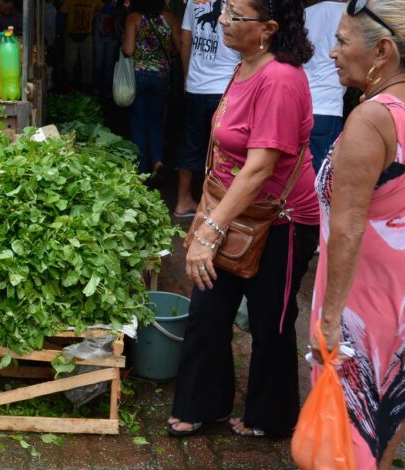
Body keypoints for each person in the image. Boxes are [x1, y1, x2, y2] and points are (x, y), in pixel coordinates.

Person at [167, 0, 319, 438]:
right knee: (208, 306)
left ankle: (270, 416)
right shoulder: (244, 66)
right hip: (235, 208)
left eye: (235, 15)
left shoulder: (281, 80)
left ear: (268, 29)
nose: (222, 21)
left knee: (271, 320)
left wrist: (210, 230)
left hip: (282, 221)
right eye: (225, 11)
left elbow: (259, 167)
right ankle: (203, 403)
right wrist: (209, 214)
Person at [310, 1, 405, 467]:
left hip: (361, 308)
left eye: (343, 41)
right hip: (400, 301)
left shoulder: (371, 120)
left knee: (344, 443)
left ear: (382, 51)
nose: (331, 52)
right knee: (382, 427)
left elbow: (347, 228)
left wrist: (330, 321)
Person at [173, 0, 240, 217]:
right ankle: (217, 205)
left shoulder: (193, 1)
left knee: (192, 141)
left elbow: (185, 39)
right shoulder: (238, 3)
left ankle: (183, 201)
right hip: (226, 87)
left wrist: (187, 75)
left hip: (196, 86)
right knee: (224, 148)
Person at [121, 0, 180, 181]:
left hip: (139, 74)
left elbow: (129, 50)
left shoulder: (134, 18)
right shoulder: (170, 17)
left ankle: (141, 171)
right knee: (155, 120)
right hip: (162, 75)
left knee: (138, 121)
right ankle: (158, 161)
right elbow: (179, 46)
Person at [303, 0, 347, 173]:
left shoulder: (305, 14)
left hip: (301, 102)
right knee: (322, 176)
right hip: (328, 106)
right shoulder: (349, 15)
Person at [61, 0, 102, 91]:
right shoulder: (69, 1)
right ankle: (69, 87)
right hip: (71, 36)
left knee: (87, 64)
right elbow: (62, 16)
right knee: (70, 63)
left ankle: (86, 88)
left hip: (86, 36)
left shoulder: (94, 1)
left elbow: (104, 8)